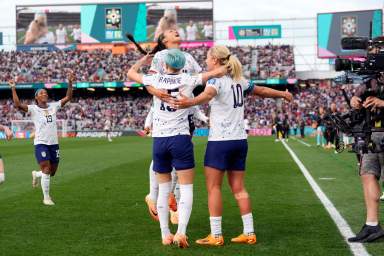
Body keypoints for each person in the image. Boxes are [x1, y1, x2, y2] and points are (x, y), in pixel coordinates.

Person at [171, 45, 292, 246]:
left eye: (208, 58)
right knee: (239, 188)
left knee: (213, 188)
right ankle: (249, 232)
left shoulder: (216, 80)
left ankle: (216, 235)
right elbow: (261, 90)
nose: (206, 61)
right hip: (240, 141)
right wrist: (283, 94)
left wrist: (188, 103)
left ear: (216, 61)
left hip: (220, 142)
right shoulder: (240, 80)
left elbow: (207, 95)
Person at [127, 49, 225, 248]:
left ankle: (165, 234)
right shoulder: (189, 79)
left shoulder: (155, 80)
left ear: (164, 65)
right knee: (186, 189)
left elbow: (130, 73)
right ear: (182, 65)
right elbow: (214, 73)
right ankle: (181, 233)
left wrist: (143, 60)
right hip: (181, 139)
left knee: (163, 190)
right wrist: (227, 64)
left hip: (160, 140)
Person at [142, 29, 202, 225]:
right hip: (164, 114)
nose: (175, 31)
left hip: (185, 112)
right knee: (163, 159)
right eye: (170, 32)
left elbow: (199, 81)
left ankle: (172, 201)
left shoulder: (189, 58)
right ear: (164, 40)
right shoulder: (160, 57)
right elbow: (149, 83)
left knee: (180, 161)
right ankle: (153, 195)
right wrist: (158, 93)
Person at [9, 73, 74, 205]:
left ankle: (36, 174)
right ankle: (46, 197)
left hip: (54, 144)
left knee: (52, 172)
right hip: (41, 143)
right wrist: (13, 88)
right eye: (41, 92)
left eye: (45, 92)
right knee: (46, 169)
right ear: (36, 97)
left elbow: (68, 97)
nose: (44, 94)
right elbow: (17, 104)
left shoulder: (54, 106)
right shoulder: (32, 109)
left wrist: (70, 83)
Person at [144, 105, 208, 225]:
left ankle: (174, 207)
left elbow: (196, 110)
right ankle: (155, 196)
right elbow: (152, 110)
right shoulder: (163, 90)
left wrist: (206, 119)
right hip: (168, 132)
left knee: (182, 172)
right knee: (167, 166)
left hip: (185, 131)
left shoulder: (188, 91)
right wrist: (148, 124)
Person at [348, 86, 384, 242]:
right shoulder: (372, 77)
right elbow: (358, 94)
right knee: (367, 173)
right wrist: (354, 100)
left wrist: (382, 102)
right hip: (372, 132)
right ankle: (372, 224)